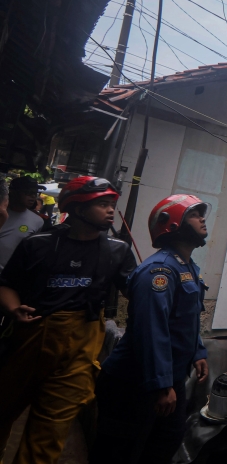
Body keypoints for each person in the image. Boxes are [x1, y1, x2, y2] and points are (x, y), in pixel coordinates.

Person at [0, 176, 136, 464]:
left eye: (112, 204)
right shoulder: (37, 244)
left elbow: (135, 292)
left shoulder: (117, 251)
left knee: (48, 435)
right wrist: (14, 308)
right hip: (30, 338)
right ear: (77, 207)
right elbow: (6, 284)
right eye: (102, 204)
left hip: (80, 349)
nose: (111, 210)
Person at [90, 194, 210, 464]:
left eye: (202, 213)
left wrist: (198, 351)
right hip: (134, 382)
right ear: (172, 224)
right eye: (194, 214)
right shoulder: (160, 271)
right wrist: (161, 384)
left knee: (163, 445)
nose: (202, 219)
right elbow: (151, 329)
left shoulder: (187, 267)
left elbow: (186, 318)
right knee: (118, 453)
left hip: (168, 378)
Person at [0, 177, 45, 272]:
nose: (33, 196)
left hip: (9, 276)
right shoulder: (2, 213)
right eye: (28, 192)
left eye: (35, 193)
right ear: (13, 192)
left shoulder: (38, 221)